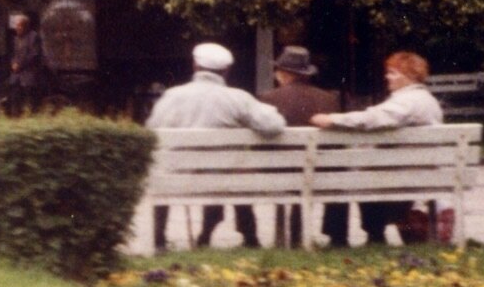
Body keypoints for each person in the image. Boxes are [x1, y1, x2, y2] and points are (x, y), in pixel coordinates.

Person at [144, 42, 285, 250]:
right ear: (226, 70)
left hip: (177, 178)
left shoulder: (172, 96)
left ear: (195, 66)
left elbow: (151, 129)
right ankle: (250, 237)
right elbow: (274, 126)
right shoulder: (238, 98)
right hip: (224, 178)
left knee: (174, 168)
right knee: (236, 170)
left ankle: (159, 240)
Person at [314, 50, 444, 245]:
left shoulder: (408, 101)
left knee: (344, 175)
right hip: (421, 170)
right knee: (365, 169)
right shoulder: (427, 99)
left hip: (404, 173)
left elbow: (373, 118)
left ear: (409, 76)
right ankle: (374, 234)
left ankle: (343, 237)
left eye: (393, 73)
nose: (387, 77)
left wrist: (332, 119)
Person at [256, 45, 346, 246]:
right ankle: (337, 237)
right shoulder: (329, 99)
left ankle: (288, 236)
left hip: (281, 172)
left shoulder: (268, 98)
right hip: (322, 172)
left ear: (283, 73)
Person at [6, 13, 52, 114]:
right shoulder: (16, 39)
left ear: (25, 26)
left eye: (19, 26)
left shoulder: (33, 37)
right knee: (14, 94)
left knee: (30, 96)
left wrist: (19, 64)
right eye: (16, 26)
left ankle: (33, 115)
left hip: (29, 72)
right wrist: (13, 63)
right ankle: (16, 116)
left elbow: (34, 55)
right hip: (17, 73)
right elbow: (14, 54)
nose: (17, 28)